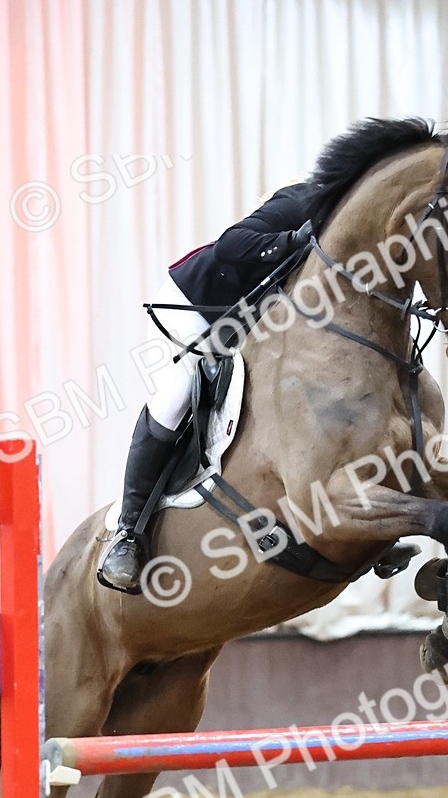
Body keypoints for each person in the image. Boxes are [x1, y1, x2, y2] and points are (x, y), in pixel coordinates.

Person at [97, 183, 314, 593]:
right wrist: (291, 241)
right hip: (193, 305)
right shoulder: (304, 200)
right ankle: (128, 535)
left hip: (249, 328)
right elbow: (233, 244)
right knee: (177, 394)